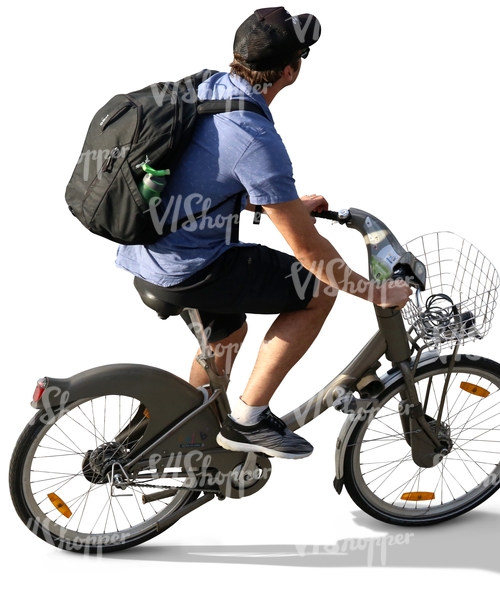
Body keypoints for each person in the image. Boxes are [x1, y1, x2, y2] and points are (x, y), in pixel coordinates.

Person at [115, 7, 412, 460]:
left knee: (227, 335)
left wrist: (277, 203)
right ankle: (248, 421)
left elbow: (200, 170)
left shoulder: (204, 86)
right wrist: (375, 294)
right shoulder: (256, 137)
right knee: (317, 290)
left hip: (142, 250)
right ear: (290, 72)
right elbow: (311, 253)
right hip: (189, 267)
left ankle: (182, 433)